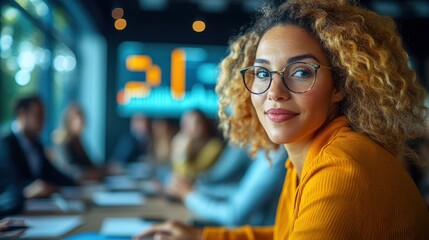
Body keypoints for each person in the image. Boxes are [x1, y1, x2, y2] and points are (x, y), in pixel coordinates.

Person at [134, 0, 429, 239]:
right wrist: (201, 237)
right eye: (263, 73)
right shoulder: (304, 155)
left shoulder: (341, 165)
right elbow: (286, 234)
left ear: (340, 85)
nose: (274, 92)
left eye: (301, 72)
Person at [167, 146, 287, 227]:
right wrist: (195, 189)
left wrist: (190, 195)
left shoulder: (276, 158)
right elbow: (239, 193)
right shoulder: (266, 153)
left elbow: (233, 216)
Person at [0, 95, 76, 203]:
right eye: (38, 115)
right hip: (13, 210)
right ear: (22, 114)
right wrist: (30, 190)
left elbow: (52, 173)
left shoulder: (36, 143)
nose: (43, 120)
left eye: (44, 115)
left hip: (37, 207)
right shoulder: (5, 143)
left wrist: (76, 181)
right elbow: (11, 183)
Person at [51, 103, 104, 182]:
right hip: (69, 185)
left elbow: (89, 165)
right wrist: (87, 173)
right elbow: (66, 169)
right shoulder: (62, 141)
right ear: (68, 121)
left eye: (82, 117)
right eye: (77, 118)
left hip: (83, 185)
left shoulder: (78, 141)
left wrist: (105, 169)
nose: (81, 121)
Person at [170, 109, 224, 179]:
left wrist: (181, 153)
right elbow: (175, 173)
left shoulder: (214, 146)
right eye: (186, 123)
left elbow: (188, 176)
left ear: (204, 125)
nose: (189, 128)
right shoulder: (185, 143)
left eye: (195, 123)